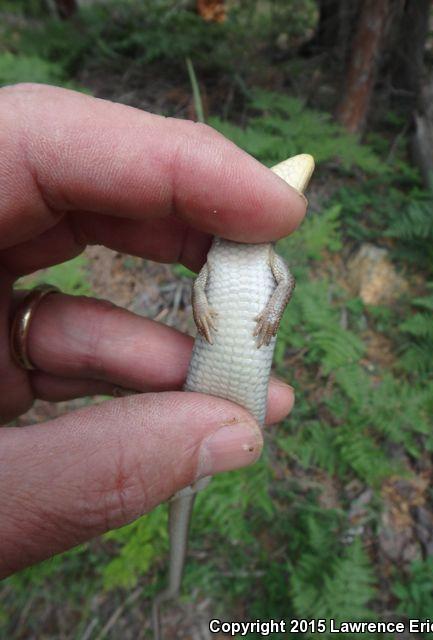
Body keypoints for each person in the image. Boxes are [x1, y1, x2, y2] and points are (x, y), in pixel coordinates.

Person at [0, 83, 307, 578]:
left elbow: (284, 285)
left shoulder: (269, 258)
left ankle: (177, 559)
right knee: (206, 429)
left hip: (244, 361)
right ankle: (175, 551)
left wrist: (273, 312)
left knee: (213, 440)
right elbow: (201, 285)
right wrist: (201, 306)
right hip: (220, 359)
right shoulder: (218, 250)